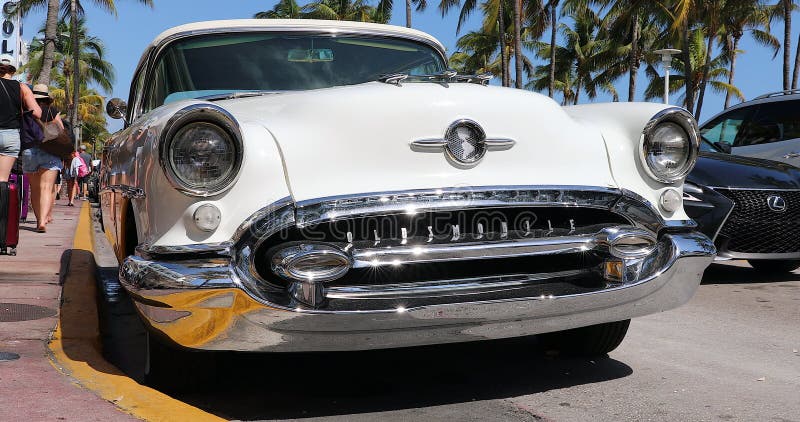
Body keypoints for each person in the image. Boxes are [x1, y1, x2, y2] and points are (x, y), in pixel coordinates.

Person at [0, 55, 41, 187]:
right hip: (11, 135)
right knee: (2, 179)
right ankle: (3, 208)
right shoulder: (22, 87)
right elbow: (37, 113)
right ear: (13, 70)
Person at [31, 84, 66, 224]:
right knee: (47, 188)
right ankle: (43, 220)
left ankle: (39, 217)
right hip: (49, 150)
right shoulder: (52, 111)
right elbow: (61, 130)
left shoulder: (27, 108)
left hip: (31, 150)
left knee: (35, 188)